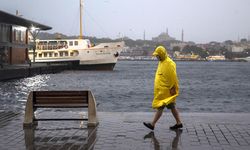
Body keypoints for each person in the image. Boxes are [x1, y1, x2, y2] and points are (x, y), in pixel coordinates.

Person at [143, 46, 183, 130]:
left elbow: (173, 77)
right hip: (163, 90)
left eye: (157, 55)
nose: (156, 57)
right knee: (172, 106)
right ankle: (179, 123)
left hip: (167, 91)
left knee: (160, 107)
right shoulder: (162, 61)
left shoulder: (169, 63)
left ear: (161, 54)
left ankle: (152, 124)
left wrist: (172, 88)